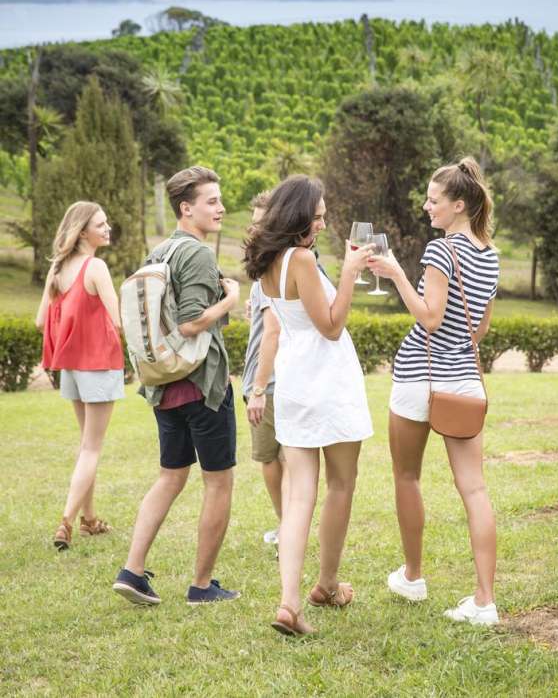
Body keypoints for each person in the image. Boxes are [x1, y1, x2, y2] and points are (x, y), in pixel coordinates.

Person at [367, 157, 500, 626]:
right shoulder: (490, 254)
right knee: (475, 488)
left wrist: (396, 274)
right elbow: (478, 329)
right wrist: (456, 348)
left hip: (418, 377)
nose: (426, 206)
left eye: (433, 199)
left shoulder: (440, 250)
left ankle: (413, 575)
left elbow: (430, 318)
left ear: (458, 205)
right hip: (463, 381)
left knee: (407, 477)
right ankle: (484, 601)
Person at [243, 175, 374, 637]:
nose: (322, 223)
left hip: (294, 383)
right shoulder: (300, 259)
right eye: (316, 216)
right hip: (328, 383)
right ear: (297, 214)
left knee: (299, 495)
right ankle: (327, 585)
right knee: (341, 484)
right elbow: (332, 326)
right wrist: (350, 272)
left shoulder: (268, 261)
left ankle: (289, 604)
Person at [113, 166, 241, 607]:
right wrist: (230, 300)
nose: (221, 208)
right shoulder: (198, 254)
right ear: (187, 208)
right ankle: (202, 587)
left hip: (164, 388)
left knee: (169, 477)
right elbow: (190, 322)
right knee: (218, 483)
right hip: (203, 387)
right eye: (212, 201)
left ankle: (132, 571)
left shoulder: (159, 252)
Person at [36, 201, 124, 551]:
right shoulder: (95, 267)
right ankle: (67, 521)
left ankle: (89, 519)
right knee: (91, 447)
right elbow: (118, 319)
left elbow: (41, 320)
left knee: (87, 444)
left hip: (71, 367)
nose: (107, 229)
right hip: (99, 364)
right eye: (101, 225)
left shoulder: (57, 268)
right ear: (83, 231)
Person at [242, 191, 285, 546]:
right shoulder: (278, 267)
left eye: (262, 223)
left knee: (270, 458)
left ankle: (288, 525)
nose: (254, 230)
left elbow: (274, 331)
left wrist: (257, 389)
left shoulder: (271, 268)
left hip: (268, 383)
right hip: (275, 379)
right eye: (253, 223)